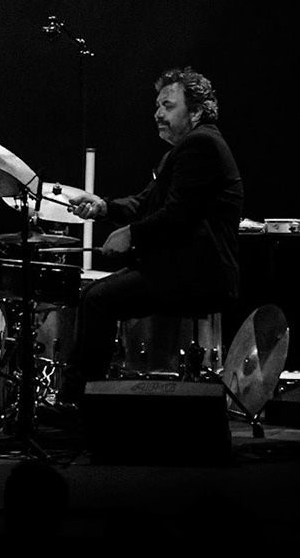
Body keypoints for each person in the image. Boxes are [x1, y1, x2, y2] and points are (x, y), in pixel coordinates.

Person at [57, 67, 243, 404]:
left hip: (198, 275)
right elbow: (145, 203)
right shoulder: (184, 149)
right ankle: (81, 400)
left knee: (97, 299)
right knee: (95, 296)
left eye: (168, 106)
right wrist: (103, 207)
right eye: (157, 106)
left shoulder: (202, 144)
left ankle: (78, 403)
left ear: (197, 111)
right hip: (181, 269)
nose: (158, 113)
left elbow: (179, 216)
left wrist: (131, 234)